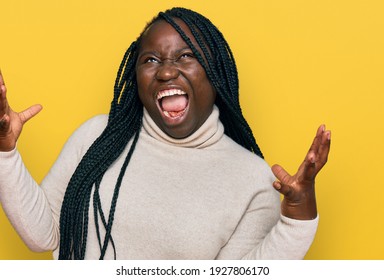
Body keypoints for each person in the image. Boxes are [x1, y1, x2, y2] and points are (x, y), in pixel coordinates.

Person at [0, 7, 330, 260]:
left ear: (215, 73)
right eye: (151, 59)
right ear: (137, 75)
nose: (167, 70)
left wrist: (298, 218)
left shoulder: (254, 179)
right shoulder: (96, 137)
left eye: (186, 56)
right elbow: (42, 236)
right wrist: (5, 152)